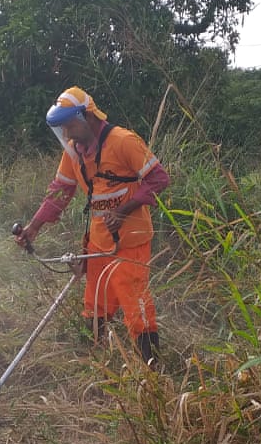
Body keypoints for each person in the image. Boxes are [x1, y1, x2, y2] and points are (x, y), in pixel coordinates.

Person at [15, 86, 170, 365]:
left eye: (69, 126)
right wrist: (34, 227)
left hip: (130, 242)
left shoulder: (124, 142)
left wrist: (124, 210)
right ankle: (96, 363)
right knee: (96, 303)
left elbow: (159, 179)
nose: (67, 134)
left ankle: (154, 372)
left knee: (136, 308)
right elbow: (60, 190)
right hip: (97, 242)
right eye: (61, 129)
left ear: (87, 116)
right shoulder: (73, 151)